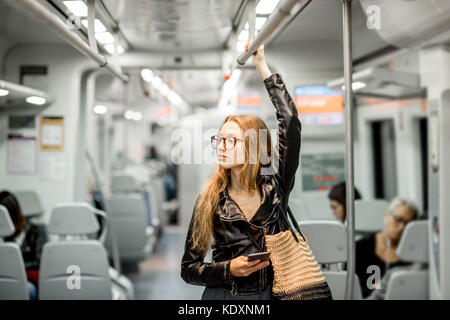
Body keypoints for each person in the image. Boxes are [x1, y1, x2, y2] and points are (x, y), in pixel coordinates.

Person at [181, 41, 302, 299]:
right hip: (225, 296)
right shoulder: (210, 199)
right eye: (219, 139)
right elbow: (188, 268)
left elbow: (290, 123)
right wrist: (228, 269)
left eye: (231, 141)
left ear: (253, 148)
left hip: (273, 293)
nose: (221, 146)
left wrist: (262, 66)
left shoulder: (275, 187)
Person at [355, 197, 418, 298]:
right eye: (398, 219)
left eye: (407, 224)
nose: (402, 227)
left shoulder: (413, 256)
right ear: (386, 216)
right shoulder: (359, 248)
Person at [0, 191, 48, 300]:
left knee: (27, 290)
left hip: (28, 280)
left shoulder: (37, 231)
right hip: (5, 279)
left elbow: (40, 261)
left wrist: (17, 267)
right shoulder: (3, 236)